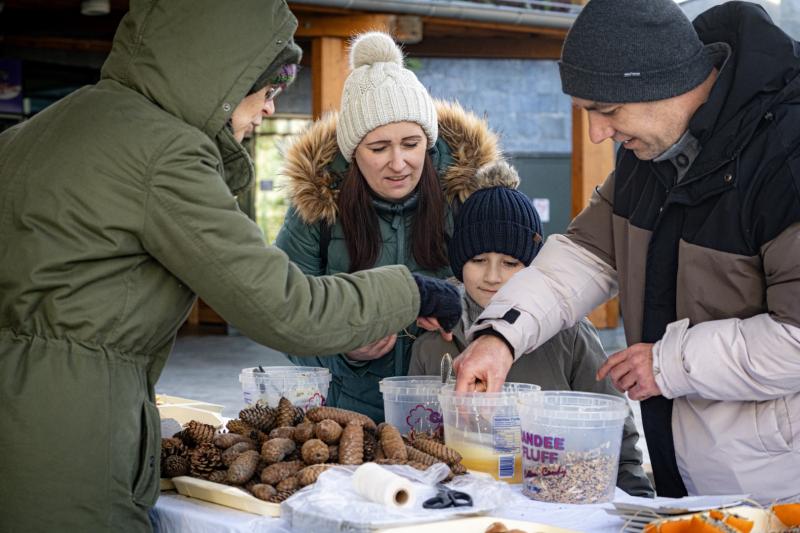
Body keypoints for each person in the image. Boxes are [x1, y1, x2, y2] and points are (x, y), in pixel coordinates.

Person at [0, 2, 461, 531]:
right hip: (67, 440)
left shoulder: (45, 129)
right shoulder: (163, 153)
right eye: (266, 91)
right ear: (220, 74)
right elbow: (284, 306)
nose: (268, 110)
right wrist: (416, 293)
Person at [452, 0, 800, 502]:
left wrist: (668, 365)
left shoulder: (786, 156)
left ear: (661, 82)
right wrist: (500, 336)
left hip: (779, 490)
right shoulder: (649, 154)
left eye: (607, 111)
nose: (598, 133)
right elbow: (582, 256)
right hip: (690, 479)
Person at [275, 31, 508, 421]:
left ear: (428, 144)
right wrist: (343, 349)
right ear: (353, 155)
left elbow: (512, 295)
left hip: (454, 415)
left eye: (411, 144)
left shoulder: (470, 197)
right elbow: (282, 312)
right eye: (379, 148)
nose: (398, 163)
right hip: (348, 418)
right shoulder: (315, 206)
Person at [409, 178, 654, 497]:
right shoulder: (432, 339)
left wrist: (635, 497)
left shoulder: (571, 334)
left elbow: (615, 438)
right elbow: (416, 440)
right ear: (459, 262)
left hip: (557, 504)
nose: (493, 276)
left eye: (510, 263)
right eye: (478, 260)